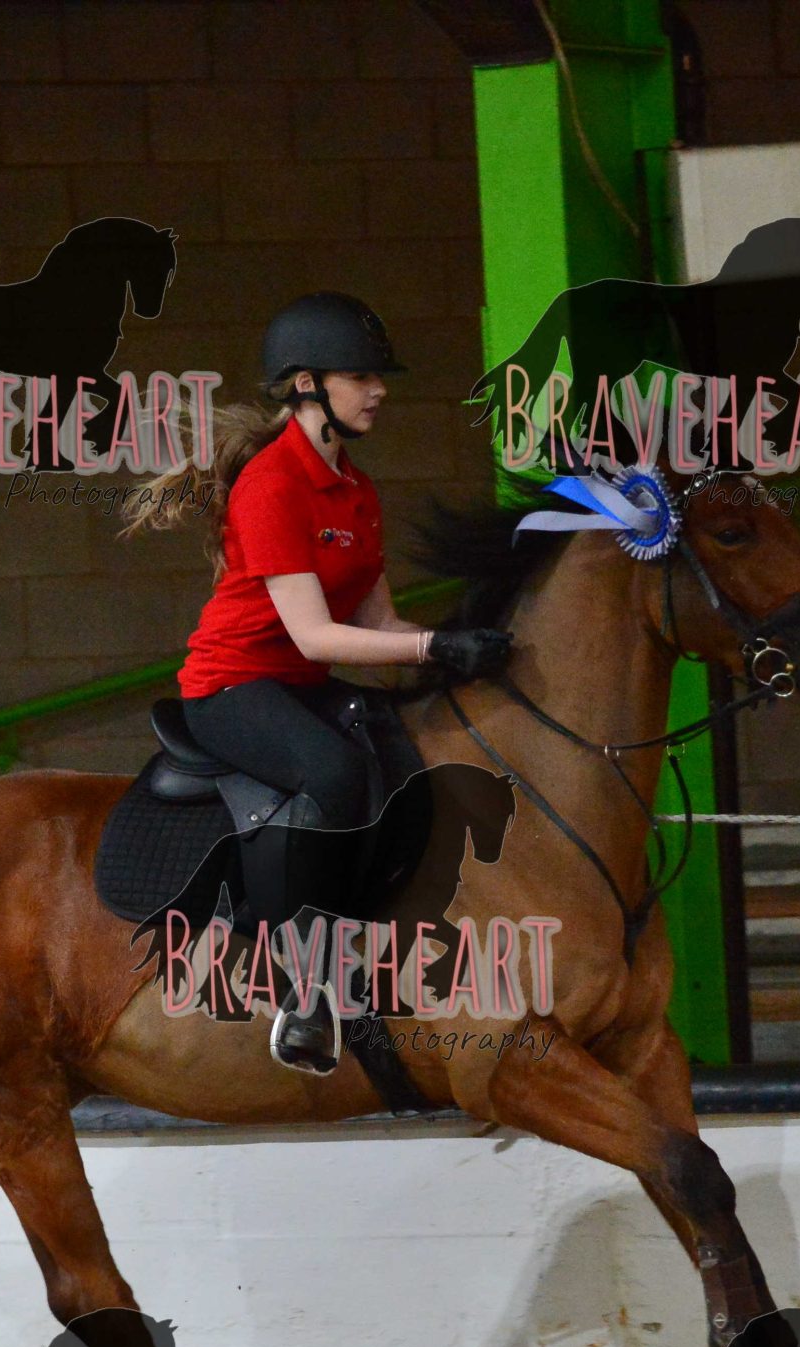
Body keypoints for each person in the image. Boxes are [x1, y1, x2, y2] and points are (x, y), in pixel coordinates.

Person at [123, 292, 512, 1074]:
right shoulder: (272, 483)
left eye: (377, 377)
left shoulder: (356, 488)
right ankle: (302, 986)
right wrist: (434, 644)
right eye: (361, 376)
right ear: (307, 385)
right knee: (332, 770)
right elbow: (315, 635)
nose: (379, 391)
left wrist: (462, 651)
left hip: (298, 683)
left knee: (404, 748)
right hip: (231, 687)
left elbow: (379, 621)